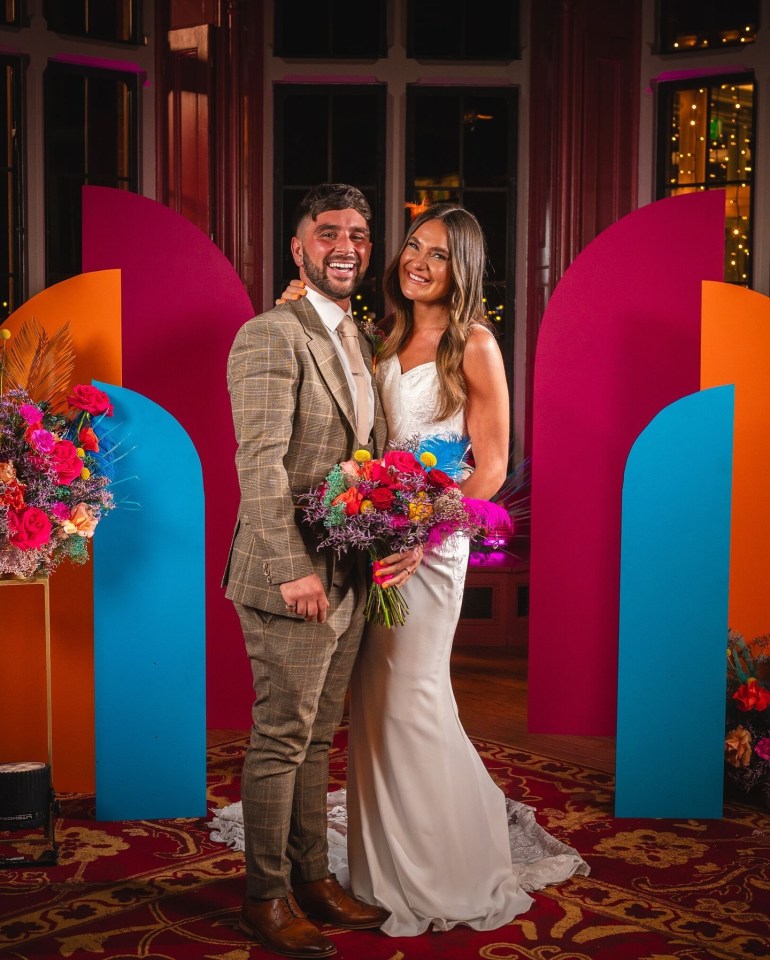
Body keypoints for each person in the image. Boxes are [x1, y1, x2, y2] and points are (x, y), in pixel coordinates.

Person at [276, 202, 589, 936]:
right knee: (374, 706)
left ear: (464, 268)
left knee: (413, 699)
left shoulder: (473, 342)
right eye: (414, 245)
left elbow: (494, 464)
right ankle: (385, 863)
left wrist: (423, 530)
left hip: (429, 546)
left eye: (439, 254)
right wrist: (300, 300)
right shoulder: (383, 333)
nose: (418, 260)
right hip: (371, 540)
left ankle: (449, 865)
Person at [223, 183, 421, 959]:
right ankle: (264, 898)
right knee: (280, 738)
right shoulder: (270, 333)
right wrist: (290, 570)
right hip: (291, 576)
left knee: (314, 742)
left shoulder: (356, 335)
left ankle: (311, 879)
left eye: (361, 234)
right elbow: (261, 464)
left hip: (348, 569)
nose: (348, 244)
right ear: (298, 246)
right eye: (328, 231)